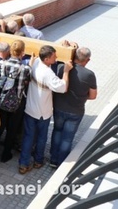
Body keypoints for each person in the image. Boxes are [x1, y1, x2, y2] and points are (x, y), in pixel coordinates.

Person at [18, 46, 72, 174]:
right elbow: (62, 87)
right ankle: (38, 160)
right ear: (47, 59)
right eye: (54, 56)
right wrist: (66, 71)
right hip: (43, 112)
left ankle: (23, 163)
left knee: (28, 137)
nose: (57, 58)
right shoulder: (48, 73)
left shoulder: (36, 62)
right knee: (42, 137)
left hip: (30, 108)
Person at [50, 47, 97, 168]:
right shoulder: (90, 75)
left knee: (57, 131)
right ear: (88, 60)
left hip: (59, 107)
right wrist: (81, 97)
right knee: (67, 138)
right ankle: (61, 163)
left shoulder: (61, 68)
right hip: (76, 111)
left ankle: (53, 159)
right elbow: (93, 96)